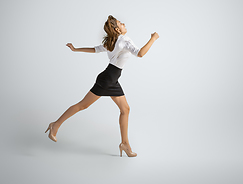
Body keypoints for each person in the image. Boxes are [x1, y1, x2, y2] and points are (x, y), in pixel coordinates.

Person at [45, 15, 159, 157]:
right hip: (107, 80)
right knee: (83, 105)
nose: (124, 24)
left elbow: (95, 49)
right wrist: (153, 38)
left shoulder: (113, 41)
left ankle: (125, 144)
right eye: (121, 23)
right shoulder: (124, 40)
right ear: (117, 29)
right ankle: (55, 125)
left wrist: (75, 49)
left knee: (125, 109)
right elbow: (140, 54)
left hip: (111, 79)